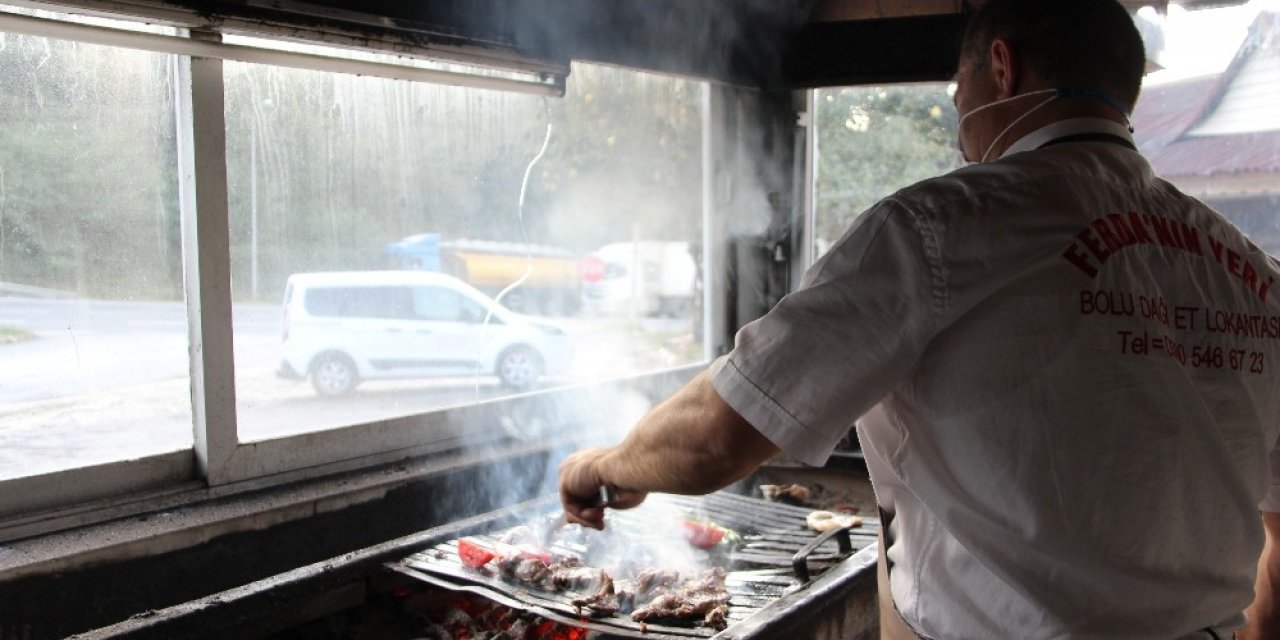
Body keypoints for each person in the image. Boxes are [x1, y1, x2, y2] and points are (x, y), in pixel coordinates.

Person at [558, 0, 1280, 637]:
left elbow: (722, 431)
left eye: (956, 89)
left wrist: (605, 464)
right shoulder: (1250, 270)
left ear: (1001, 67)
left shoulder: (937, 227)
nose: (958, 116)